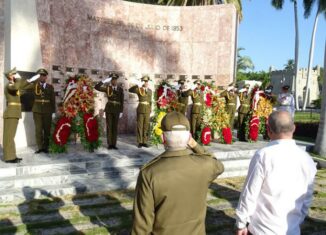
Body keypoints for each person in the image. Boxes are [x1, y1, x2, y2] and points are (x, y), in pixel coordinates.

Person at [132, 111, 224, 234]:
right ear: (189, 137)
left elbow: (142, 223)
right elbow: (217, 164)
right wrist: (195, 145)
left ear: (163, 137)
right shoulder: (205, 166)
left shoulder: (150, 173)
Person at [235, 110, 317, 235]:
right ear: (294, 128)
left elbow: (250, 193)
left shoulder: (263, 155)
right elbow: (307, 199)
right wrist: (297, 221)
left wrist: (241, 223)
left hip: (263, 229)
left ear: (268, 130)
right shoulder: (307, 159)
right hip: (291, 229)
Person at [25, 68, 56, 153]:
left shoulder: (50, 87)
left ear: (46, 77)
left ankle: (46, 147)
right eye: (40, 76)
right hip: (37, 110)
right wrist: (32, 80)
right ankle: (40, 147)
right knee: (38, 130)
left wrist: (53, 111)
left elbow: (53, 100)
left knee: (47, 129)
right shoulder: (34, 86)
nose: (42, 77)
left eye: (43, 76)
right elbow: (25, 86)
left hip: (48, 110)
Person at [2, 67, 27, 163]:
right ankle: (8, 157)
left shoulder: (14, 85)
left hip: (15, 113)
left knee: (11, 136)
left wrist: (27, 81)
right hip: (10, 114)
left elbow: (21, 89)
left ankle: (12, 155)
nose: (15, 76)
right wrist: (19, 80)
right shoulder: (9, 85)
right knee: (9, 136)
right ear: (10, 76)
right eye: (14, 74)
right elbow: (16, 87)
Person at [95, 73, 124, 149]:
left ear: (117, 80)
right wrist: (104, 81)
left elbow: (122, 101)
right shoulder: (107, 88)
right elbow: (96, 87)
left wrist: (121, 111)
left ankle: (114, 144)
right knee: (109, 127)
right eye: (112, 80)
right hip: (109, 109)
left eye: (115, 80)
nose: (114, 81)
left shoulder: (120, 89)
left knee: (115, 127)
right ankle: (110, 144)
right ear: (110, 81)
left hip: (117, 109)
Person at [128, 75, 152, 148]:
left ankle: (145, 141)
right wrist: (137, 84)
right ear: (142, 82)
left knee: (146, 126)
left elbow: (150, 101)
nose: (146, 83)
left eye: (147, 81)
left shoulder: (150, 91)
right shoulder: (139, 89)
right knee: (140, 126)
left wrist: (150, 108)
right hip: (141, 109)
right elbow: (130, 90)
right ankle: (140, 142)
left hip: (147, 109)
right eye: (144, 81)